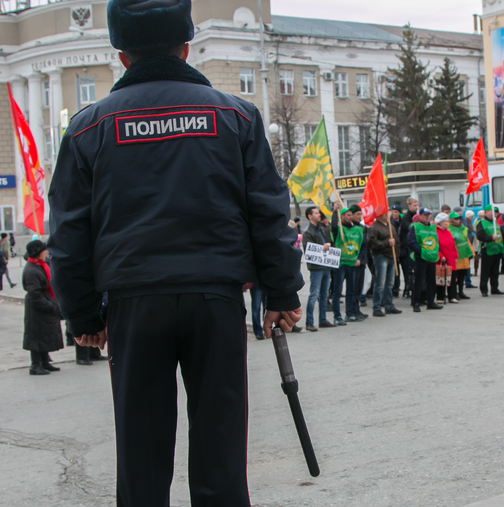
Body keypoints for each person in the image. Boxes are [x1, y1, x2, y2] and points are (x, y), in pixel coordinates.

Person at [48, 2, 304, 503]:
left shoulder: (87, 127)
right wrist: (280, 291)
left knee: (140, 457)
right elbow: (269, 212)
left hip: (134, 305)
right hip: (216, 299)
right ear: (186, 47)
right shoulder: (236, 115)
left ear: (121, 56)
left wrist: (82, 312)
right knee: (221, 450)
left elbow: (69, 231)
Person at [22, 240, 64, 375]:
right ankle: (35, 364)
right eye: (44, 250)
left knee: (44, 334)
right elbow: (35, 294)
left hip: (44, 305)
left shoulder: (40, 266)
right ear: (38, 252)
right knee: (36, 336)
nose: (47, 252)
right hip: (36, 309)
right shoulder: (31, 270)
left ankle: (44, 361)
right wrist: (50, 306)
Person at [302, 206, 337, 332]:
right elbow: (308, 250)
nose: (319, 215)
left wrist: (328, 245)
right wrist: (323, 247)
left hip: (326, 265)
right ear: (309, 216)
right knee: (314, 294)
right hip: (316, 267)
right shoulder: (308, 232)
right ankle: (309, 322)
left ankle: (322, 319)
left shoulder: (322, 228)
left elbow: (329, 242)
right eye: (316, 213)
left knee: (324, 294)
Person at [407, 207, 443, 312]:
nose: (427, 217)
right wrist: (420, 251)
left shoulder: (433, 227)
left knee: (431, 281)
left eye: (428, 215)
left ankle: (431, 302)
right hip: (421, 258)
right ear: (420, 216)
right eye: (425, 215)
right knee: (419, 281)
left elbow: (436, 241)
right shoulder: (415, 227)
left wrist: (436, 251)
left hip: (431, 257)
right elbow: (411, 242)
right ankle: (416, 302)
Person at [331, 206, 363, 323]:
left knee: (351, 290)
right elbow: (333, 226)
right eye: (347, 215)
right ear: (342, 216)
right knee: (337, 291)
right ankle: (337, 316)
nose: (350, 217)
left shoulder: (358, 230)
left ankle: (349, 313)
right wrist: (335, 212)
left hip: (352, 263)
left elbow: (361, 245)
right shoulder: (339, 229)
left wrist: (359, 258)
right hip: (340, 264)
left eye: (351, 215)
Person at [367, 212, 402, 317]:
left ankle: (389, 305)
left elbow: (397, 241)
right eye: (383, 213)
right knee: (380, 283)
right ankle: (376, 307)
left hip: (392, 256)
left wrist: (396, 254)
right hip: (381, 257)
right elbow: (373, 244)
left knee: (389, 283)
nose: (386, 214)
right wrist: (387, 242)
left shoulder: (391, 226)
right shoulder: (374, 227)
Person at [476, 205, 504, 296]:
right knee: (485, 271)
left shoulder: (495, 222)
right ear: (486, 212)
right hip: (487, 250)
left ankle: (495, 288)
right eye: (492, 212)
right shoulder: (482, 222)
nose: (494, 214)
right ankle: (484, 289)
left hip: (496, 250)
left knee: (495, 271)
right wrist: (491, 238)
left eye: (495, 212)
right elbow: (480, 236)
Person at [434, 213, 459, 303]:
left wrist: (456, 256)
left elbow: (453, 245)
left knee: (452, 278)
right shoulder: (436, 233)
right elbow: (436, 246)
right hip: (443, 259)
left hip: (450, 258)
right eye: (444, 221)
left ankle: (452, 296)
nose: (446, 223)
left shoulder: (448, 232)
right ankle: (440, 297)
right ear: (440, 222)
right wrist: (441, 256)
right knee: (441, 277)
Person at [448, 211, 474, 300]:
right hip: (455, 255)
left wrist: (471, 252)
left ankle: (461, 291)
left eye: (459, 218)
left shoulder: (463, 228)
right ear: (451, 219)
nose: (458, 220)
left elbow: (467, 240)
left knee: (462, 275)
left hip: (464, 254)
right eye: (455, 218)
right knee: (454, 276)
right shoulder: (449, 228)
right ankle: (454, 293)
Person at [350, 205, 370, 319]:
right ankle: (352, 309)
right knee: (352, 286)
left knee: (359, 286)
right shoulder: (348, 228)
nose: (359, 217)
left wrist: (363, 258)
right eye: (357, 214)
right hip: (351, 260)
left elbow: (364, 244)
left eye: (360, 214)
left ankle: (357, 309)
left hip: (361, 261)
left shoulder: (363, 228)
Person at [399, 197, 419, 298]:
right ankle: (407, 288)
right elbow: (409, 227)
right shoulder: (406, 217)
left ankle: (412, 288)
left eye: (417, 205)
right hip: (406, 248)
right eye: (414, 205)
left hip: (413, 247)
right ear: (409, 206)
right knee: (407, 270)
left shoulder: (417, 216)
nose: (416, 207)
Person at [390, 205, 405, 297]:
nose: (395, 213)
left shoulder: (402, 222)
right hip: (393, 249)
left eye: (396, 212)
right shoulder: (391, 223)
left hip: (401, 248)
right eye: (393, 212)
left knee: (398, 271)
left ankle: (397, 287)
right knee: (394, 269)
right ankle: (394, 288)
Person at [463, 209, 478, 288]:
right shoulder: (466, 223)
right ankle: (467, 281)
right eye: (471, 216)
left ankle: (467, 280)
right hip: (467, 245)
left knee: (467, 264)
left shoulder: (468, 222)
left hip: (469, 243)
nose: (472, 217)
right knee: (466, 265)